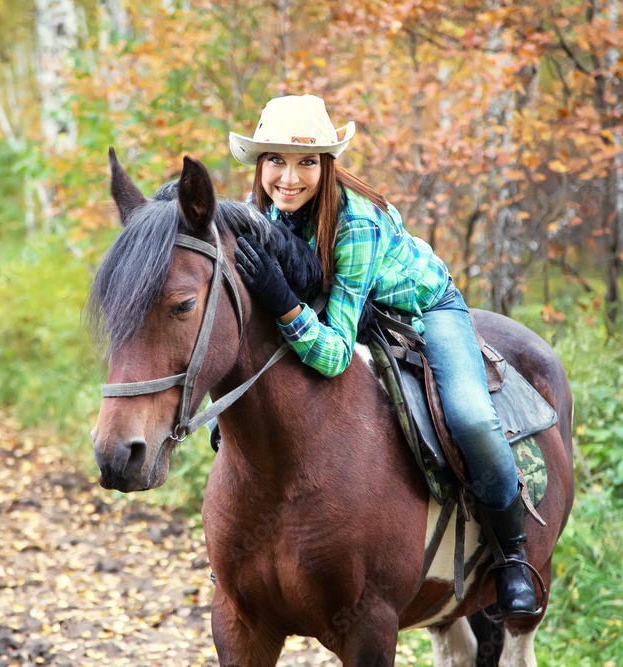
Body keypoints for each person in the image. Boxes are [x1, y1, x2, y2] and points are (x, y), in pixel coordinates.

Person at [228, 94, 538, 621]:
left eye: (306, 162)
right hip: (343, 303)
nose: (289, 177)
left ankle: (512, 554)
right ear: (260, 165)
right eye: (275, 160)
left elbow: (332, 354)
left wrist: (281, 301)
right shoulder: (261, 211)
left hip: (422, 308)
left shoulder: (357, 224)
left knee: (469, 415)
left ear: (327, 166)